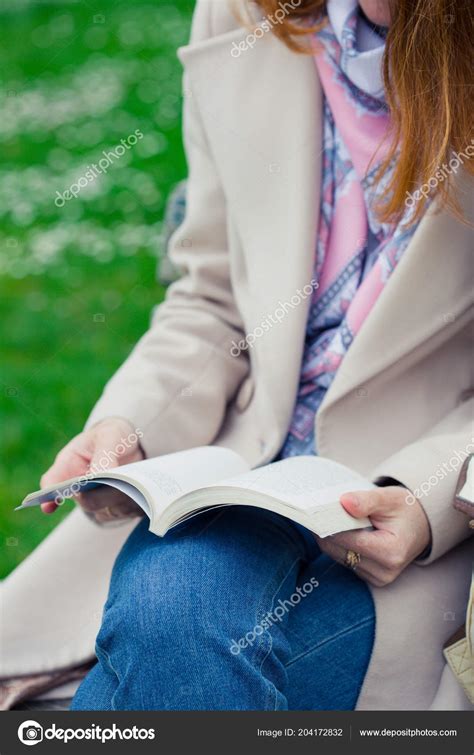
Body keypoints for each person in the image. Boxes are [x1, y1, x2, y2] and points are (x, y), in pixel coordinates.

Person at [34, 0, 473, 710]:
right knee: (170, 616)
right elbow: (212, 296)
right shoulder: (247, 16)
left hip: (408, 519)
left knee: (151, 681)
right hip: (242, 475)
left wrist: (427, 502)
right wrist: (129, 423)